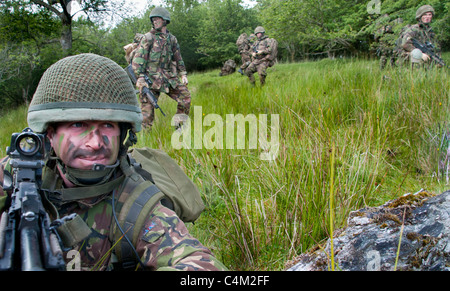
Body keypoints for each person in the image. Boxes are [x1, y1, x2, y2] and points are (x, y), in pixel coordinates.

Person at [0, 53, 227, 271]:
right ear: (50, 133)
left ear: (123, 134)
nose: (95, 143)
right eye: (78, 126)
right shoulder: (16, 174)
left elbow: (198, 263)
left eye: (108, 126)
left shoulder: (135, 201)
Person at [132, 7, 191, 129]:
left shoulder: (172, 39)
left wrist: (183, 74)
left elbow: (178, 57)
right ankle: (146, 142)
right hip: (150, 79)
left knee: (185, 97)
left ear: (165, 20)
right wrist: (141, 78)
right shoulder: (148, 38)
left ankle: (179, 127)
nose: (155, 21)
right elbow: (138, 61)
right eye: (153, 19)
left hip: (168, 77)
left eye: (157, 19)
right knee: (146, 115)